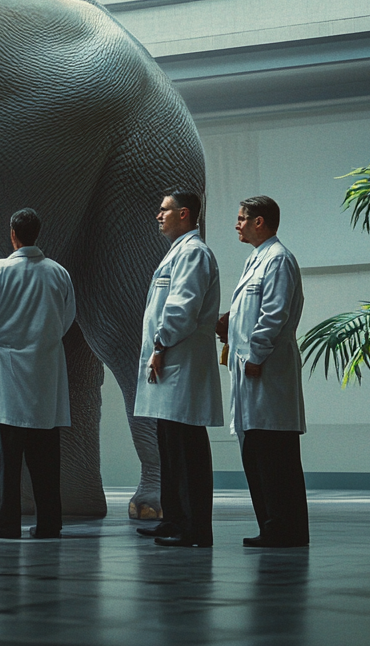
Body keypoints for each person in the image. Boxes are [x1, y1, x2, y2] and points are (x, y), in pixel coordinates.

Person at [0, 208, 75, 540]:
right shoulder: (58, 273)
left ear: (13, 234)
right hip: (44, 373)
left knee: (4, 459)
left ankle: (8, 524)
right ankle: (49, 523)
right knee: (45, 458)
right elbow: (68, 318)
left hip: (5, 375)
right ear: (36, 234)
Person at [134, 191, 222, 548]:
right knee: (170, 449)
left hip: (178, 360)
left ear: (184, 214)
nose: (158, 215)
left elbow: (181, 308)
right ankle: (173, 520)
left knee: (187, 452)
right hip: (171, 364)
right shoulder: (179, 252)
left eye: (164, 210)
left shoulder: (193, 253)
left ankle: (194, 528)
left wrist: (160, 345)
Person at [221, 195, 308, 548]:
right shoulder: (255, 260)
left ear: (260, 222)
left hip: (265, 371)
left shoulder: (278, 260)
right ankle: (272, 526)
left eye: (242, 218)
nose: (237, 224)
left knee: (275, 458)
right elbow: (250, 313)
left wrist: (255, 355)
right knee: (256, 454)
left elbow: (274, 315)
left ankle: (285, 529)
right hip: (250, 375)